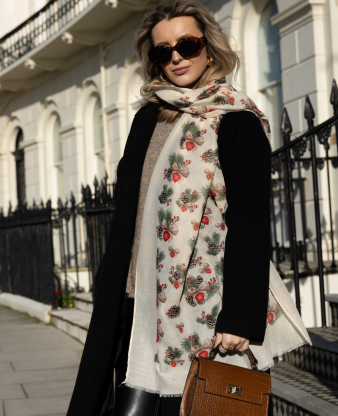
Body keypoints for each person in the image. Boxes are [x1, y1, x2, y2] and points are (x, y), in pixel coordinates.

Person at [66, 1, 311, 415]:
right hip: (137, 299)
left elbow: (250, 225)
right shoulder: (149, 118)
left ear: (209, 48)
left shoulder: (237, 120)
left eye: (187, 44)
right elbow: (130, 209)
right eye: (163, 51)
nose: (176, 56)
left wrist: (239, 318)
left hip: (207, 310)